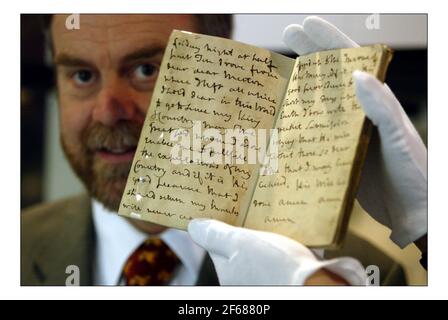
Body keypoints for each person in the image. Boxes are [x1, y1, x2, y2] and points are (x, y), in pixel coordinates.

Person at [21, 14, 420, 286]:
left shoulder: (365, 275)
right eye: (82, 75)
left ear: (227, 65)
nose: (108, 112)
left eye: (146, 69)